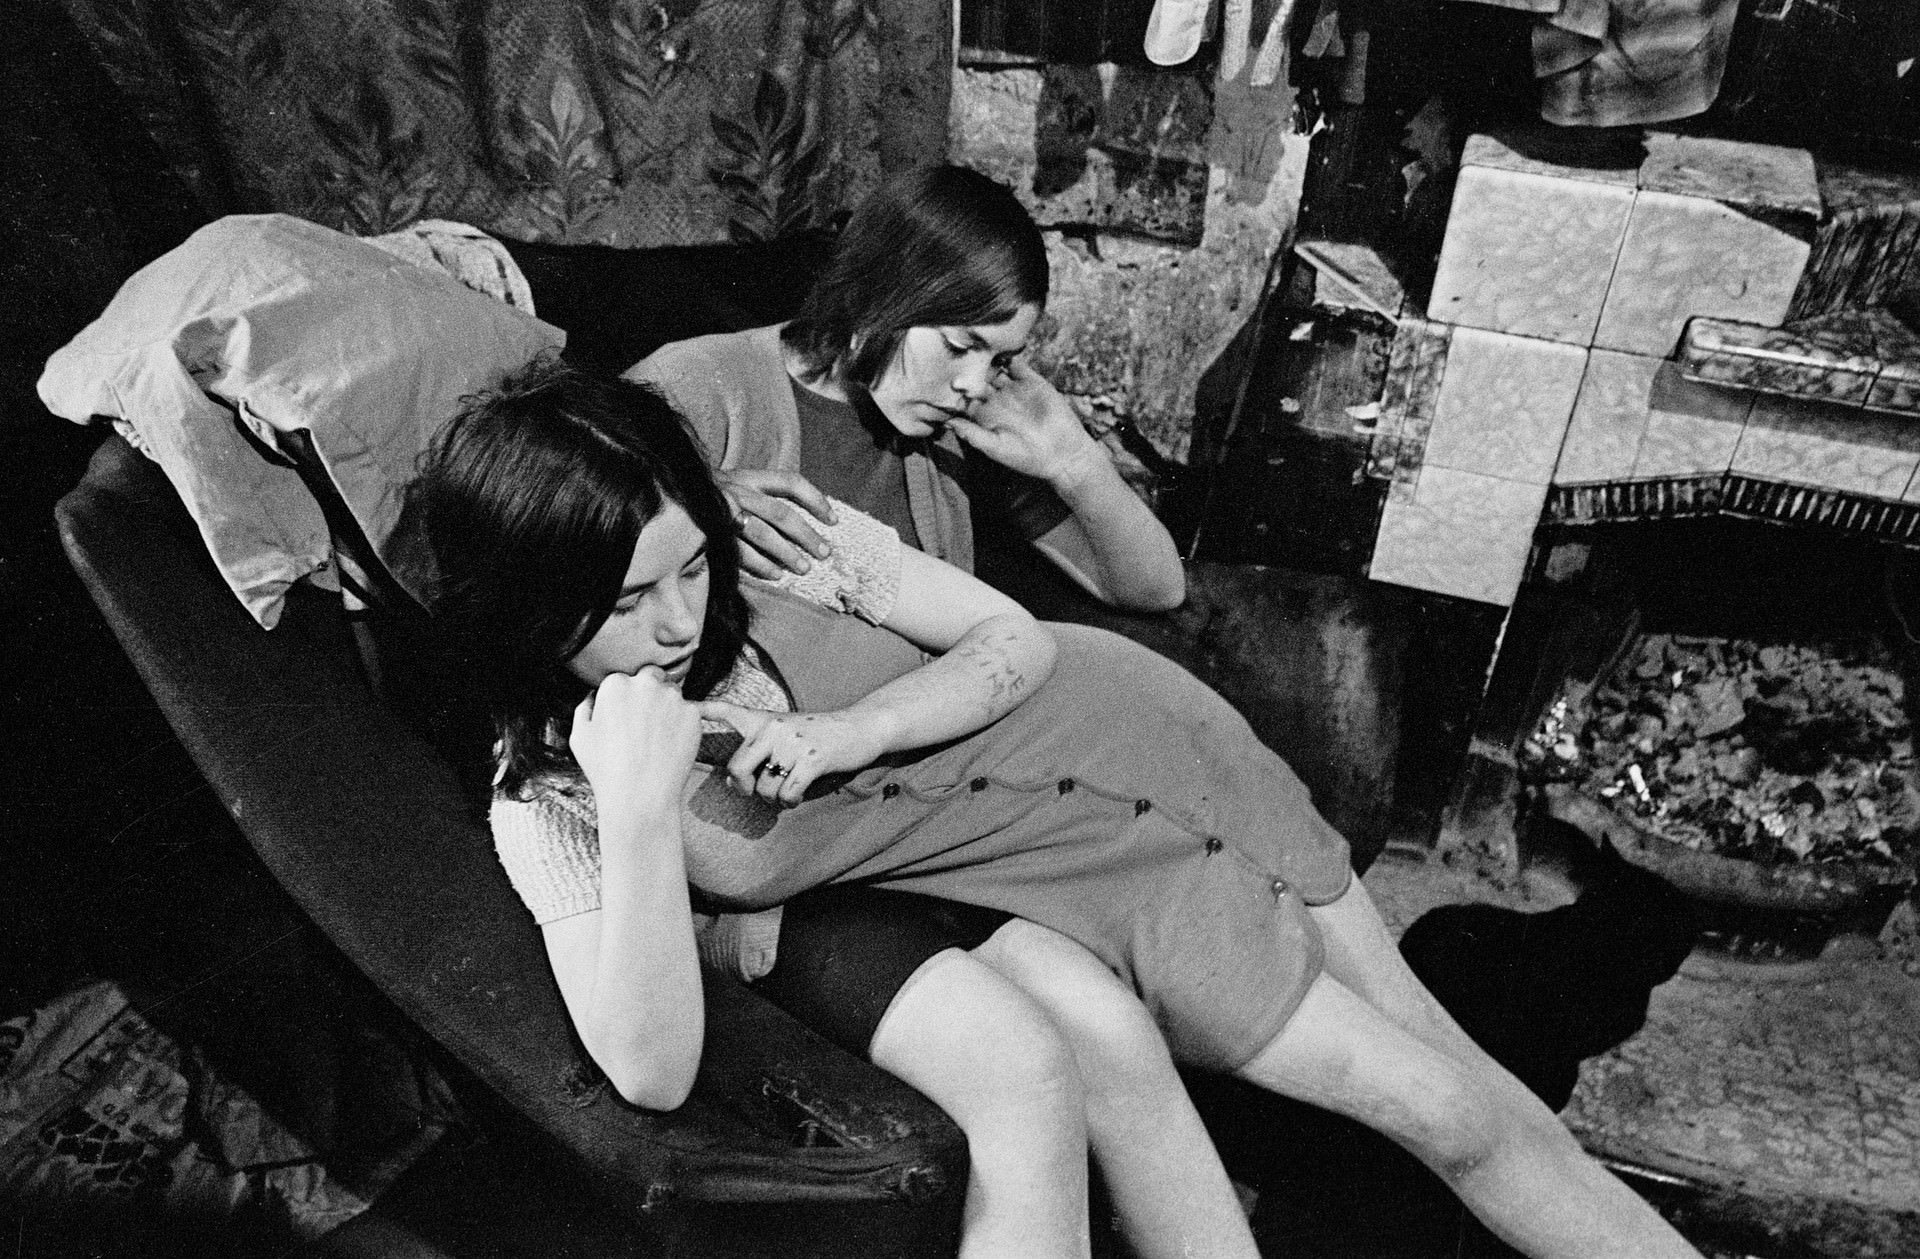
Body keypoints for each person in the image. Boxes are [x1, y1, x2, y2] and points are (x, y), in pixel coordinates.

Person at [413, 360, 1704, 1259]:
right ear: (534, 607)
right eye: (634, 599)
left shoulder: (767, 538)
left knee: (1460, 1098)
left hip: (1149, 752)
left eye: (688, 567)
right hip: (1060, 861)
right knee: (1438, 1102)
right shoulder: (556, 795)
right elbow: (649, 1061)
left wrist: (846, 720)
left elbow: (1008, 640)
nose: (685, 616)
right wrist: (644, 824)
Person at [626, 162, 1186, 613]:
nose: (973, 383)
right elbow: (564, 526)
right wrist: (693, 501)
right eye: (960, 345)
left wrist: (1076, 465)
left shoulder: (960, 432)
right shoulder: (700, 384)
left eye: (1000, 359)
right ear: (879, 298)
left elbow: (1156, 590)